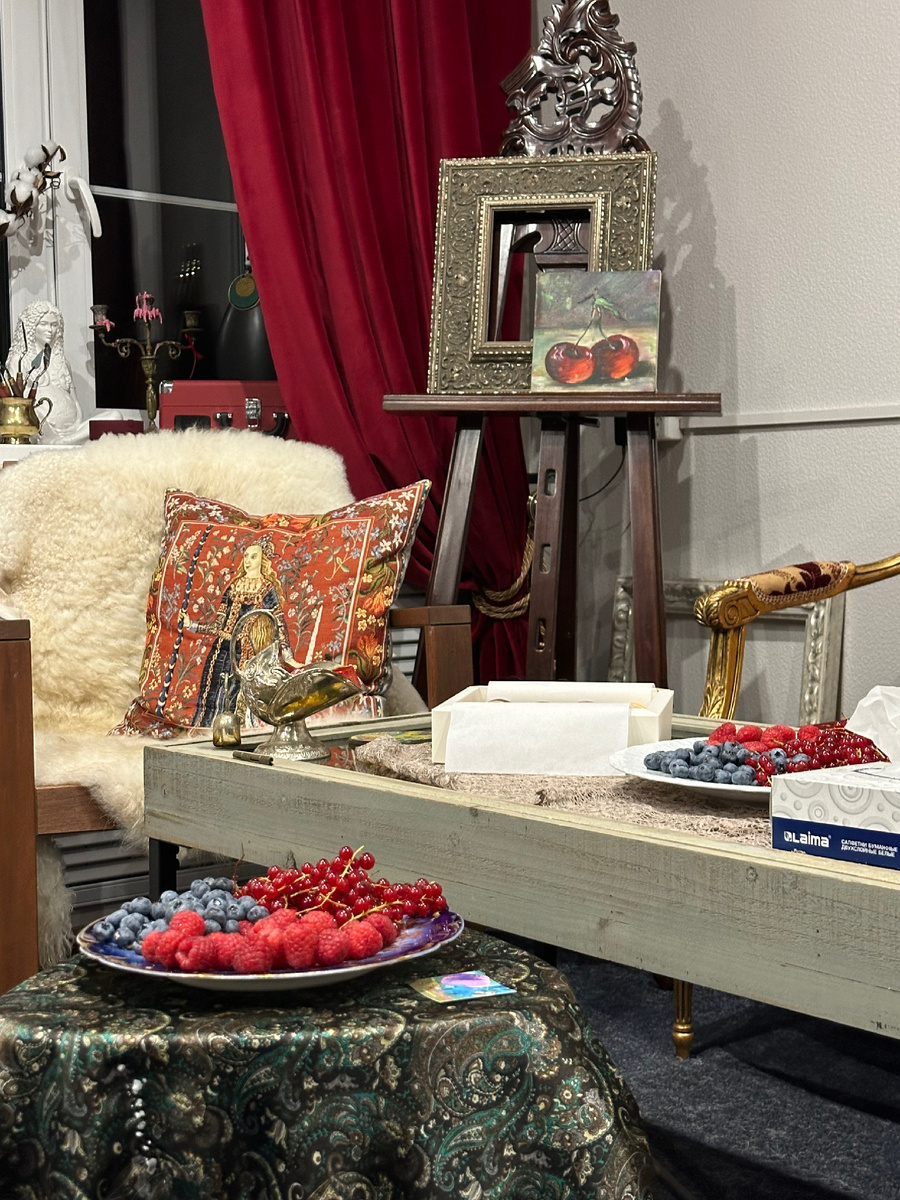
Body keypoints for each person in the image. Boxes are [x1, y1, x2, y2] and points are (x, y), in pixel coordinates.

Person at [193, 541, 289, 726]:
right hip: (221, 650)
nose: (248, 560)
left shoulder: (267, 588)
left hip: (247, 653)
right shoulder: (233, 586)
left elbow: (278, 622)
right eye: (246, 556)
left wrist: (287, 654)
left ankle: (238, 734)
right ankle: (205, 732)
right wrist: (194, 626)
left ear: (262, 560)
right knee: (211, 694)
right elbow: (218, 624)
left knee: (238, 698)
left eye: (253, 556)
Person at [5, 300, 122, 442]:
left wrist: (77, 420)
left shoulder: (63, 362)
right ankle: (59, 441)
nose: (50, 330)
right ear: (31, 326)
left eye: (54, 325)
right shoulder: (19, 361)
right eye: (44, 324)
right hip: (40, 428)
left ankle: (67, 441)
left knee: (115, 416)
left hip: (72, 428)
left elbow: (74, 400)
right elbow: (17, 404)